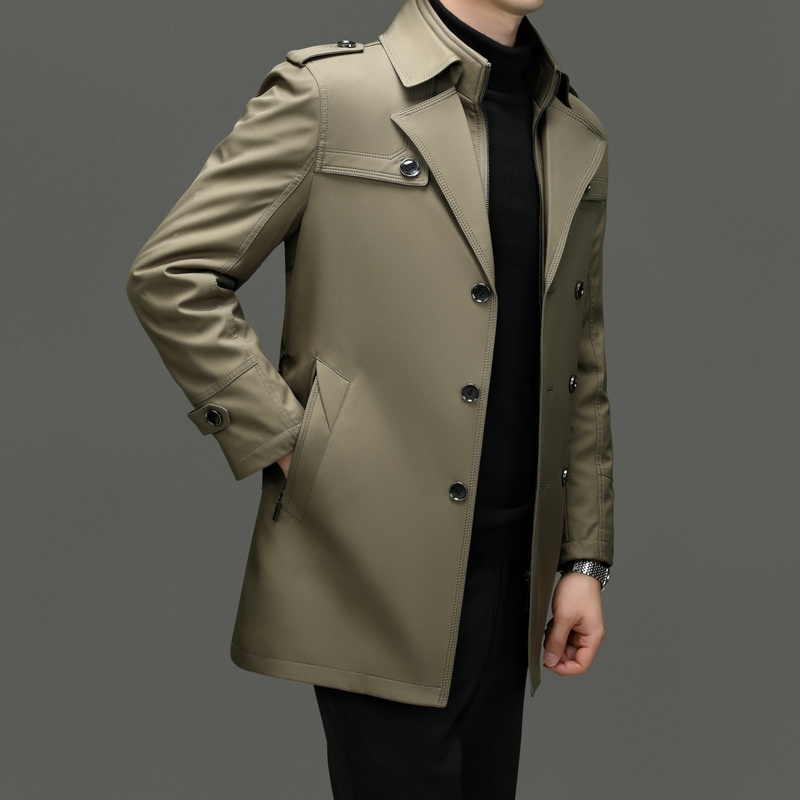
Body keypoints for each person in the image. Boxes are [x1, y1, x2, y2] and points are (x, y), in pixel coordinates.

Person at [127, 0, 615, 796]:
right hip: (371, 560)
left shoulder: (573, 131)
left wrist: (582, 561)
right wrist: (291, 440)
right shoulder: (331, 95)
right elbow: (172, 275)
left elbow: (581, 358)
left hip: (516, 573)